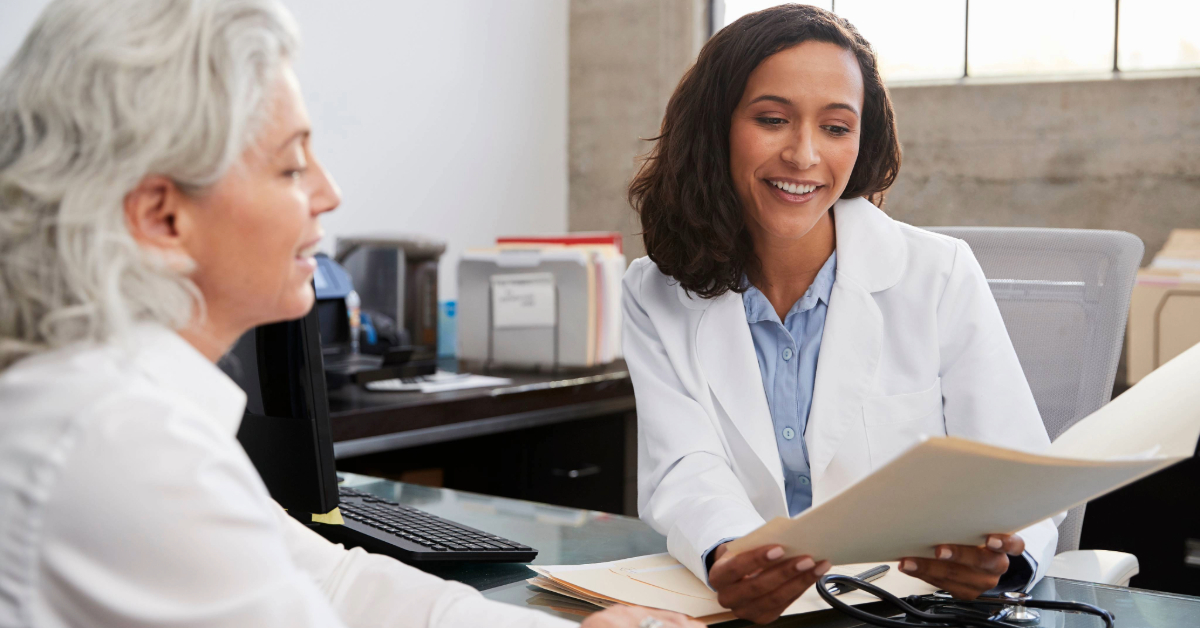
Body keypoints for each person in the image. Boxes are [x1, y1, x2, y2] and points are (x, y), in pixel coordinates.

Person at [0, 1, 703, 627]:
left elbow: (334, 580)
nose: (330, 193)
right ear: (162, 217)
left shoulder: (124, 411)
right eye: (290, 167)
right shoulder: (122, 446)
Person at [623, 5, 1059, 625]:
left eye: (835, 127)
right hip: (752, 612)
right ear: (715, 128)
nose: (804, 155)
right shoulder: (654, 291)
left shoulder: (938, 273)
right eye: (772, 119)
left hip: (909, 610)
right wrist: (733, 550)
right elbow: (683, 466)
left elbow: (1019, 473)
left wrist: (1001, 564)